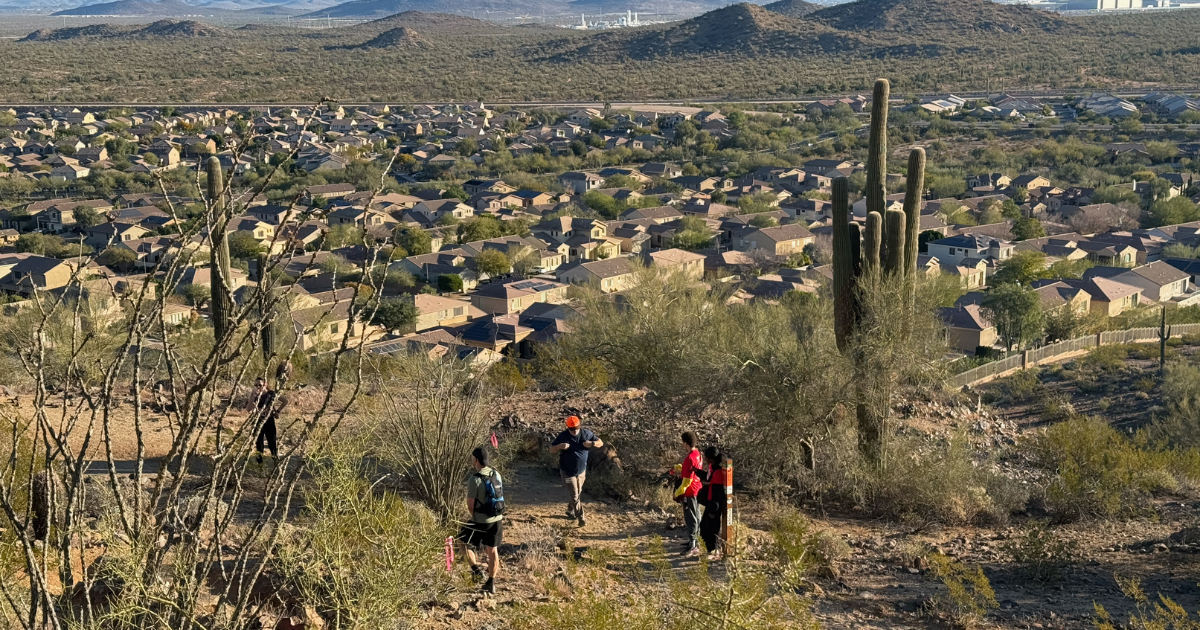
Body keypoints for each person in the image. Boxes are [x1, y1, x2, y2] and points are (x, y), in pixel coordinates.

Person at [457, 446, 504, 595]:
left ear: (476, 460)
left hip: (481, 521)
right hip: (497, 519)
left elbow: (470, 506)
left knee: (462, 541)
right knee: (492, 551)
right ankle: (491, 583)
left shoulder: (474, 479)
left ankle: (476, 570)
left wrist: (475, 518)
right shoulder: (496, 473)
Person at [549, 415, 603, 527]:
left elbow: (600, 443)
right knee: (575, 495)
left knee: (577, 493)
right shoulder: (563, 436)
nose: (574, 431)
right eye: (572, 429)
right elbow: (551, 449)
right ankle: (581, 517)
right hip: (567, 472)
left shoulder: (586, 434)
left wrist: (592, 444)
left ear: (580, 426)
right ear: (567, 427)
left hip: (581, 471)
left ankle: (570, 509)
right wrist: (559, 446)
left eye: (576, 429)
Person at [671, 431, 703, 557]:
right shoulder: (697, 454)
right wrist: (680, 467)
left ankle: (693, 546)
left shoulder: (690, 458)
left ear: (685, 443)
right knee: (697, 516)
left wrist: (676, 494)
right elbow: (692, 470)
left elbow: (686, 483)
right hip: (697, 489)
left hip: (690, 492)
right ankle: (695, 542)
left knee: (691, 520)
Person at [698, 446, 728, 561]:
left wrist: (712, 510)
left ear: (711, 459)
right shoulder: (715, 468)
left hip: (714, 507)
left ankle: (714, 551)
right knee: (705, 528)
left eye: (706, 458)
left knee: (712, 529)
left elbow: (717, 493)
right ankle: (711, 550)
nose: (705, 460)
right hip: (711, 505)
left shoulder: (718, 473)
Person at [251, 378, 278, 464]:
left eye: (260, 385)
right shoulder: (255, 395)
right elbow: (248, 409)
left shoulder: (271, 394)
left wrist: (277, 411)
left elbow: (285, 401)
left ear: (265, 384)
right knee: (259, 443)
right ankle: (260, 464)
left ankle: (276, 461)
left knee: (272, 441)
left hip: (269, 419)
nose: (258, 387)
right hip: (258, 420)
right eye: (256, 385)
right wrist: (253, 397)